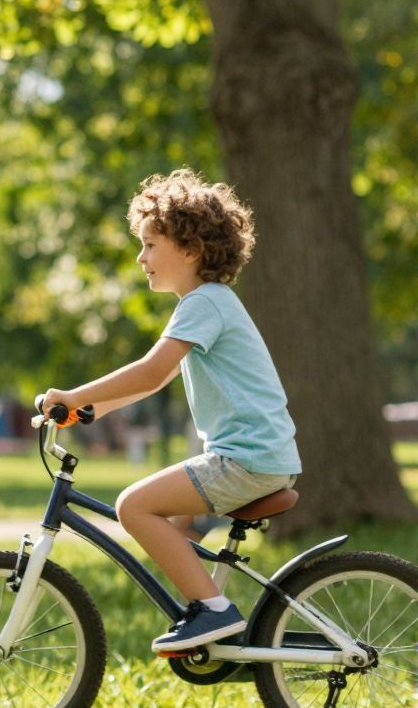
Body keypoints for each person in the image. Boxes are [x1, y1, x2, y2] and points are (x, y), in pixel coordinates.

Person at [43, 169, 300, 653]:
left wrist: (74, 397)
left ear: (190, 249)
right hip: (257, 456)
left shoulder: (205, 303)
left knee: (133, 506)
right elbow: (151, 382)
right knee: (164, 522)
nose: (140, 258)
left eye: (149, 245)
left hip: (246, 458)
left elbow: (147, 372)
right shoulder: (207, 303)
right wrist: (85, 410)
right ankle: (211, 621)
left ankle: (216, 611)